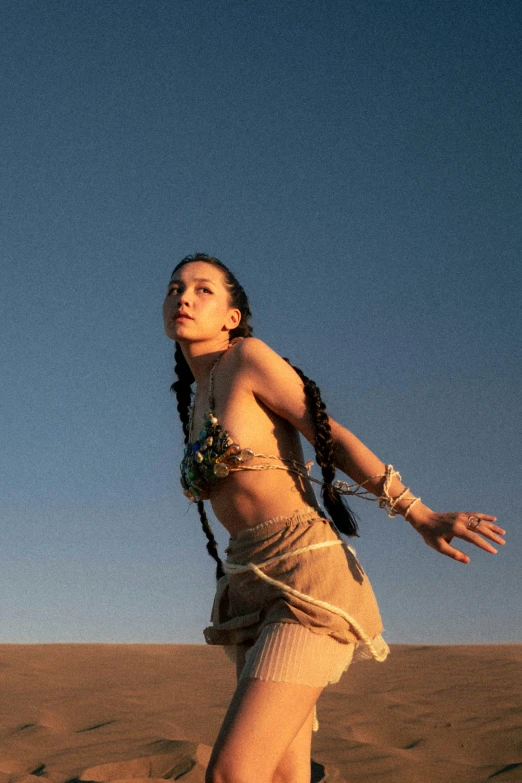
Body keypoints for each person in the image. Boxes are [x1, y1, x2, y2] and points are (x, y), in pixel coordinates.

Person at [163, 253, 505, 783]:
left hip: (306, 578)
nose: (183, 298)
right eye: (175, 288)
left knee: (233, 773)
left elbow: (330, 433)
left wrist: (419, 513)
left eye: (203, 289)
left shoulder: (248, 359)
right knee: (283, 777)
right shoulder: (193, 403)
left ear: (232, 316)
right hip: (248, 585)